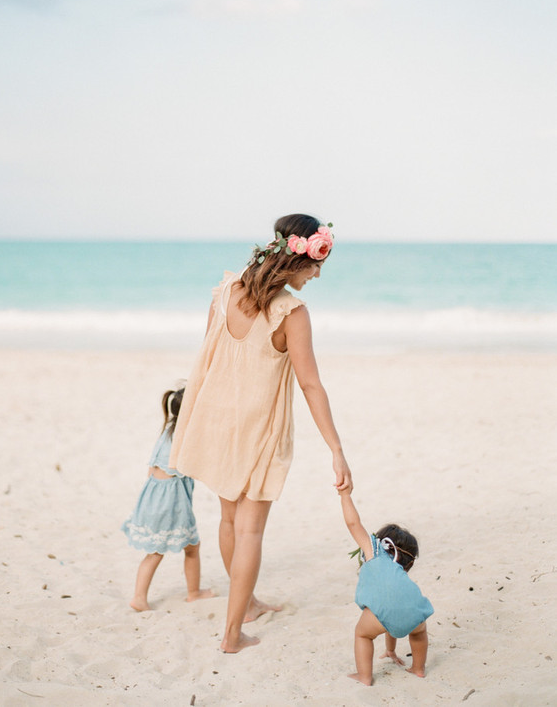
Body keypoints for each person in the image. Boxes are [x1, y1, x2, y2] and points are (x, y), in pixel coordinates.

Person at [169, 213, 353, 653]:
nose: (318, 273)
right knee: (250, 531)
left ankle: (245, 602)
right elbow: (311, 384)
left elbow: (211, 351)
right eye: (316, 263)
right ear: (297, 259)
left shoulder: (226, 290)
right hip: (256, 425)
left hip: (215, 416)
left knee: (229, 520)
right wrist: (336, 449)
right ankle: (233, 635)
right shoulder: (292, 312)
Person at [121, 383, 214, 611]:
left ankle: (145, 596)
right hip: (170, 504)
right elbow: (192, 467)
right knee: (185, 547)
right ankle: (189, 593)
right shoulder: (183, 438)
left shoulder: (167, 431)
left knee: (159, 551)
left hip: (152, 497)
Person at [339, 488, 434, 685]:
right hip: (415, 610)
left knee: (362, 634)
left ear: (381, 542)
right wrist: (390, 650)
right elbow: (394, 613)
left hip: (384, 612)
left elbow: (353, 523)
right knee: (418, 633)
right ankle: (418, 668)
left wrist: (345, 495)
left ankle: (364, 676)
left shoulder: (374, 551)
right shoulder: (399, 569)